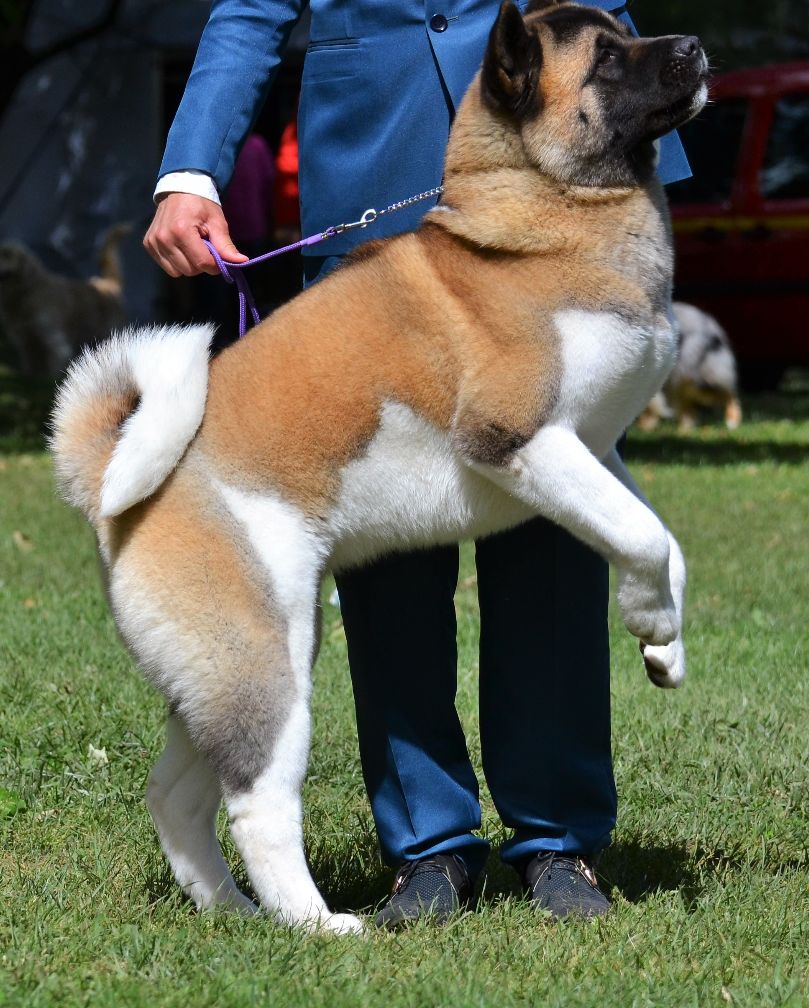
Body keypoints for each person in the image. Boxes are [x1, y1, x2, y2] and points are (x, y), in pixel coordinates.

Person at [144, 0, 691, 928]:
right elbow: (250, 9)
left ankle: (557, 840)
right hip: (376, 150)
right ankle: (426, 849)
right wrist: (191, 167)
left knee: (556, 508)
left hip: (554, 138)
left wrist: (641, 109)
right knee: (378, 536)